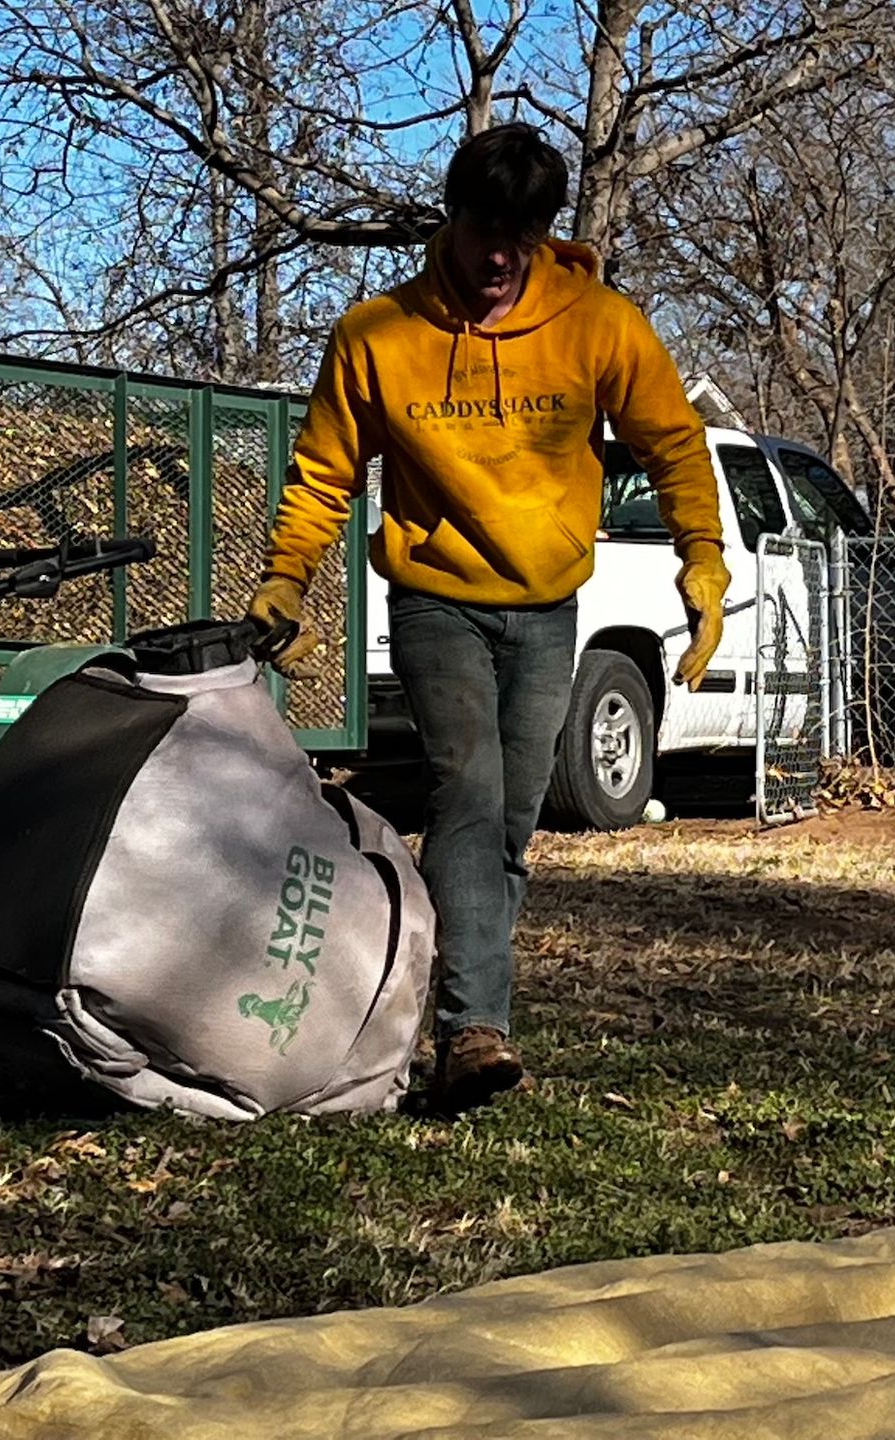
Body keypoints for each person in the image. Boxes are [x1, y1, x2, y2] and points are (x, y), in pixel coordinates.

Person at [247, 123, 727, 1111]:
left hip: (548, 606)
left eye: (524, 232)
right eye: (484, 229)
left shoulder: (599, 324)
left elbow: (676, 444)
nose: (500, 256)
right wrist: (287, 576)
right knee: (466, 789)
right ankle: (473, 1030)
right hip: (436, 600)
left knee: (511, 820)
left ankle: (445, 1006)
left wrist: (704, 560)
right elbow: (324, 474)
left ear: (544, 231)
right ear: (452, 220)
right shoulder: (378, 336)